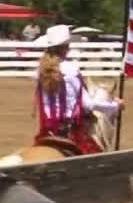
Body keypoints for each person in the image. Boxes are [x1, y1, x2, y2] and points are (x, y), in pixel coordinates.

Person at [32, 24, 123, 155]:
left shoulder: (39, 71)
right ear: (66, 47)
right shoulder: (71, 70)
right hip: (70, 131)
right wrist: (115, 106)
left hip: (47, 131)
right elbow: (88, 105)